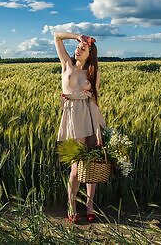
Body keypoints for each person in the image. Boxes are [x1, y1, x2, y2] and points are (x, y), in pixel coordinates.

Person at [54, 32, 106, 223]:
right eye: (78, 47)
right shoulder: (66, 64)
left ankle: (90, 205)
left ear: (90, 54)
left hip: (90, 116)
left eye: (83, 49)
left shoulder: (93, 73)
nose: (78, 50)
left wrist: (99, 130)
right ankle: (71, 205)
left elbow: (94, 100)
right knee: (76, 168)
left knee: (92, 164)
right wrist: (77, 36)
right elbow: (57, 37)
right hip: (72, 117)